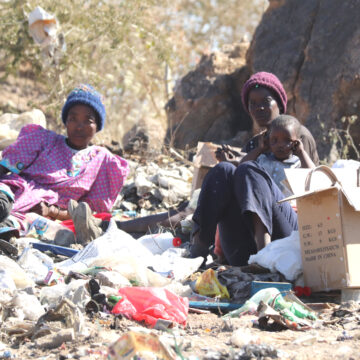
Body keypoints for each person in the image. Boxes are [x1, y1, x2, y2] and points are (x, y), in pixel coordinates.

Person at [189, 72, 319, 266]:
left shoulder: (298, 136)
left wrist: (297, 151)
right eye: (253, 103)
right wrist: (243, 158)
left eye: (266, 101)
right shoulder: (254, 145)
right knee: (223, 170)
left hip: (286, 239)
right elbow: (240, 179)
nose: (259, 108)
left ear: (279, 104)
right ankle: (198, 250)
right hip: (243, 248)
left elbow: (313, 183)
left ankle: (264, 255)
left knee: (248, 170)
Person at [0, 84, 129, 239]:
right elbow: (5, 167)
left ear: (97, 126)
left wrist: (52, 211)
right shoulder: (44, 139)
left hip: (42, 213)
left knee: (14, 227)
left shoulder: (103, 162)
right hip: (15, 191)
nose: (79, 126)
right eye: (73, 119)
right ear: (66, 121)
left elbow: (87, 213)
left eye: (88, 120)